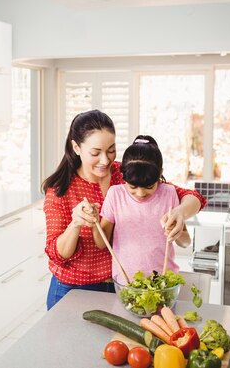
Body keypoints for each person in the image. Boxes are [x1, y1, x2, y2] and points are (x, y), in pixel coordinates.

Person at [42, 110, 206, 309]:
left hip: (124, 287)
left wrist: (180, 213)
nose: (105, 160)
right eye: (95, 153)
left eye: (111, 150)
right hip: (75, 289)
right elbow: (58, 254)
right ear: (76, 147)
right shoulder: (60, 190)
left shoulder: (127, 172)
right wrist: (76, 224)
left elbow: (191, 197)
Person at [96, 135, 191, 283]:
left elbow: (185, 243)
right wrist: (93, 220)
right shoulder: (115, 195)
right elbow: (102, 243)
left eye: (149, 187)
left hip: (164, 282)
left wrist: (175, 232)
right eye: (133, 187)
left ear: (159, 174)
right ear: (123, 176)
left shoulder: (169, 193)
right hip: (127, 283)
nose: (140, 194)